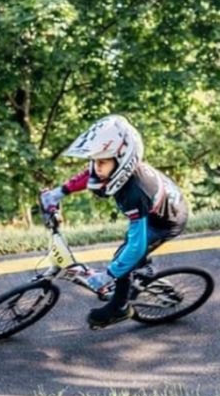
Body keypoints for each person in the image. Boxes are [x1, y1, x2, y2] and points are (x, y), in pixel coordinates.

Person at [40, 114, 189, 328]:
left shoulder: (135, 193)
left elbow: (136, 246)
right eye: (94, 161)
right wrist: (58, 193)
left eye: (102, 162)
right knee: (128, 256)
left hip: (165, 223)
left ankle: (120, 308)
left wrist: (109, 275)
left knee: (124, 257)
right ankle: (143, 271)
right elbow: (90, 177)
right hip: (156, 208)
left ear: (121, 161)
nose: (96, 167)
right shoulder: (114, 170)